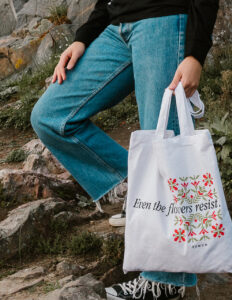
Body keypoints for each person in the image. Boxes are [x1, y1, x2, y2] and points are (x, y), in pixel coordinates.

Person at [30, 1, 219, 299]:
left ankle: (167, 279)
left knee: (164, 147)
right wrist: (82, 37)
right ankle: (139, 191)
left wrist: (195, 52)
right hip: (116, 29)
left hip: (165, 21)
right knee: (51, 116)